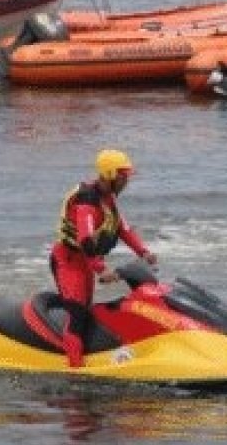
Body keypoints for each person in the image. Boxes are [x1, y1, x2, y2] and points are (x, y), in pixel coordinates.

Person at [50, 149, 158, 368]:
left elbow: (122, 228)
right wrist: (101, 269)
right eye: (123, 176)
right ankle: (75, 370)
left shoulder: (107, 198)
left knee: (88, 310)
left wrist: (144, 252)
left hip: (84, 262)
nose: (126, 181)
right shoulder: (87, 202)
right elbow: (86, 240)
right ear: (109, 174)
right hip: (68, 262)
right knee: (78, 315)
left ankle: (85, 353)